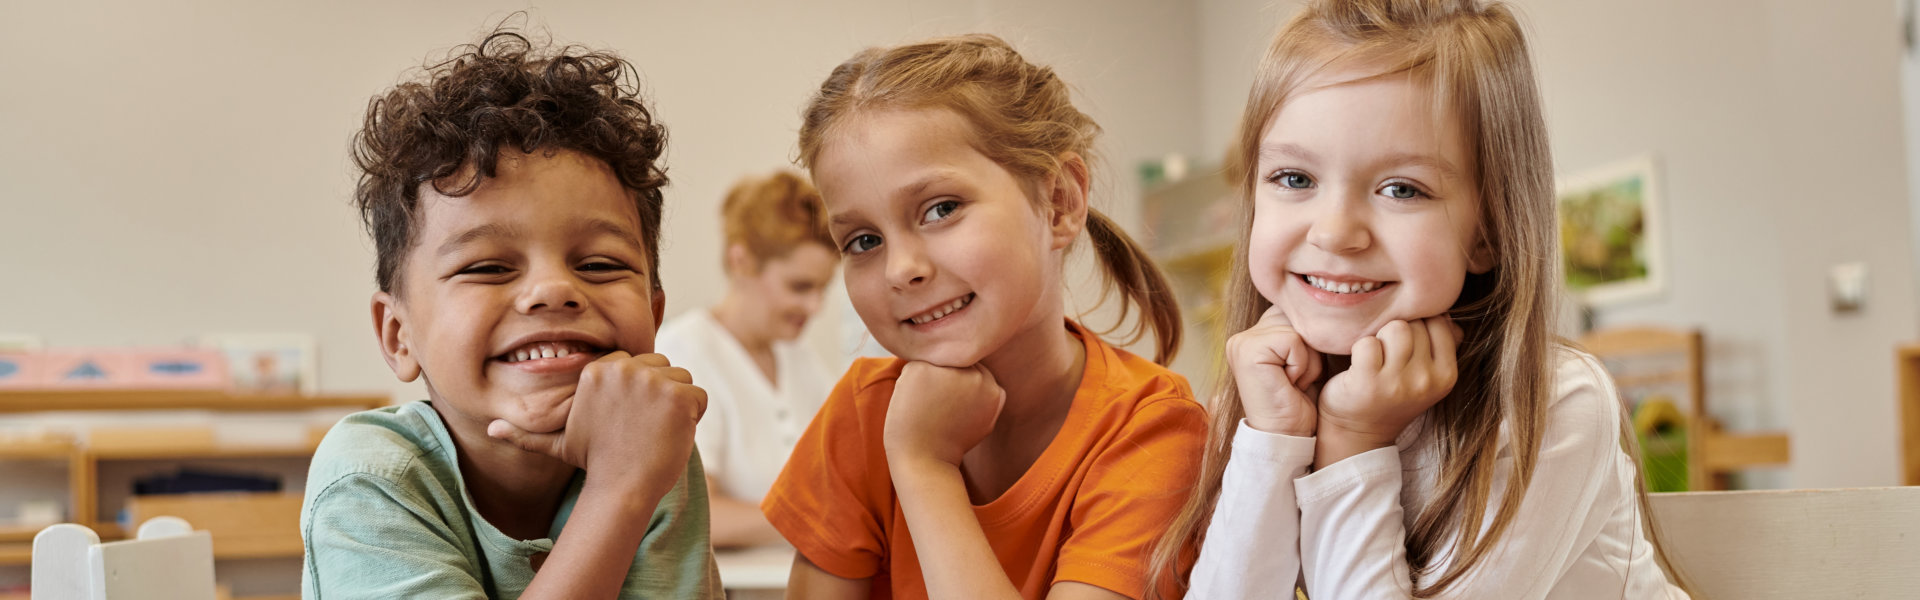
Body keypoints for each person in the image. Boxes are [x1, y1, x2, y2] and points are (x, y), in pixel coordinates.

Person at [1151, 0, 1690, 597]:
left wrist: (1353, 441)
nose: (1333, 232)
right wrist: (1272, 436)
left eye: (1401, 189)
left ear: (1487, 233)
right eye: (1295, 179)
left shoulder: (1554, 404)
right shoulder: (1274, 389)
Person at [760, 34, 1206, 600]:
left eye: (941, 209)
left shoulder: (1154, 431)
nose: (902, 269)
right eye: (864, 240)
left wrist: (924, 466)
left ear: (1059, 202)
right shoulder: (862, 414)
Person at [301, 28, 720, 599]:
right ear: (399, 335)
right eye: (487, 267)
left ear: (654, 312)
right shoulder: (371, 477)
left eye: (598, 263)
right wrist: (619, 490)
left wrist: (630, 476)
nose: (553, 290)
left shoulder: (646, 441)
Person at [655, 169, 839, 549]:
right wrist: (817, 518)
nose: (814, 306)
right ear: (741, 261)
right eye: (800, 286)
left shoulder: (800, 361)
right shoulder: (685, 353)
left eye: (822, 289)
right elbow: (691, 516)